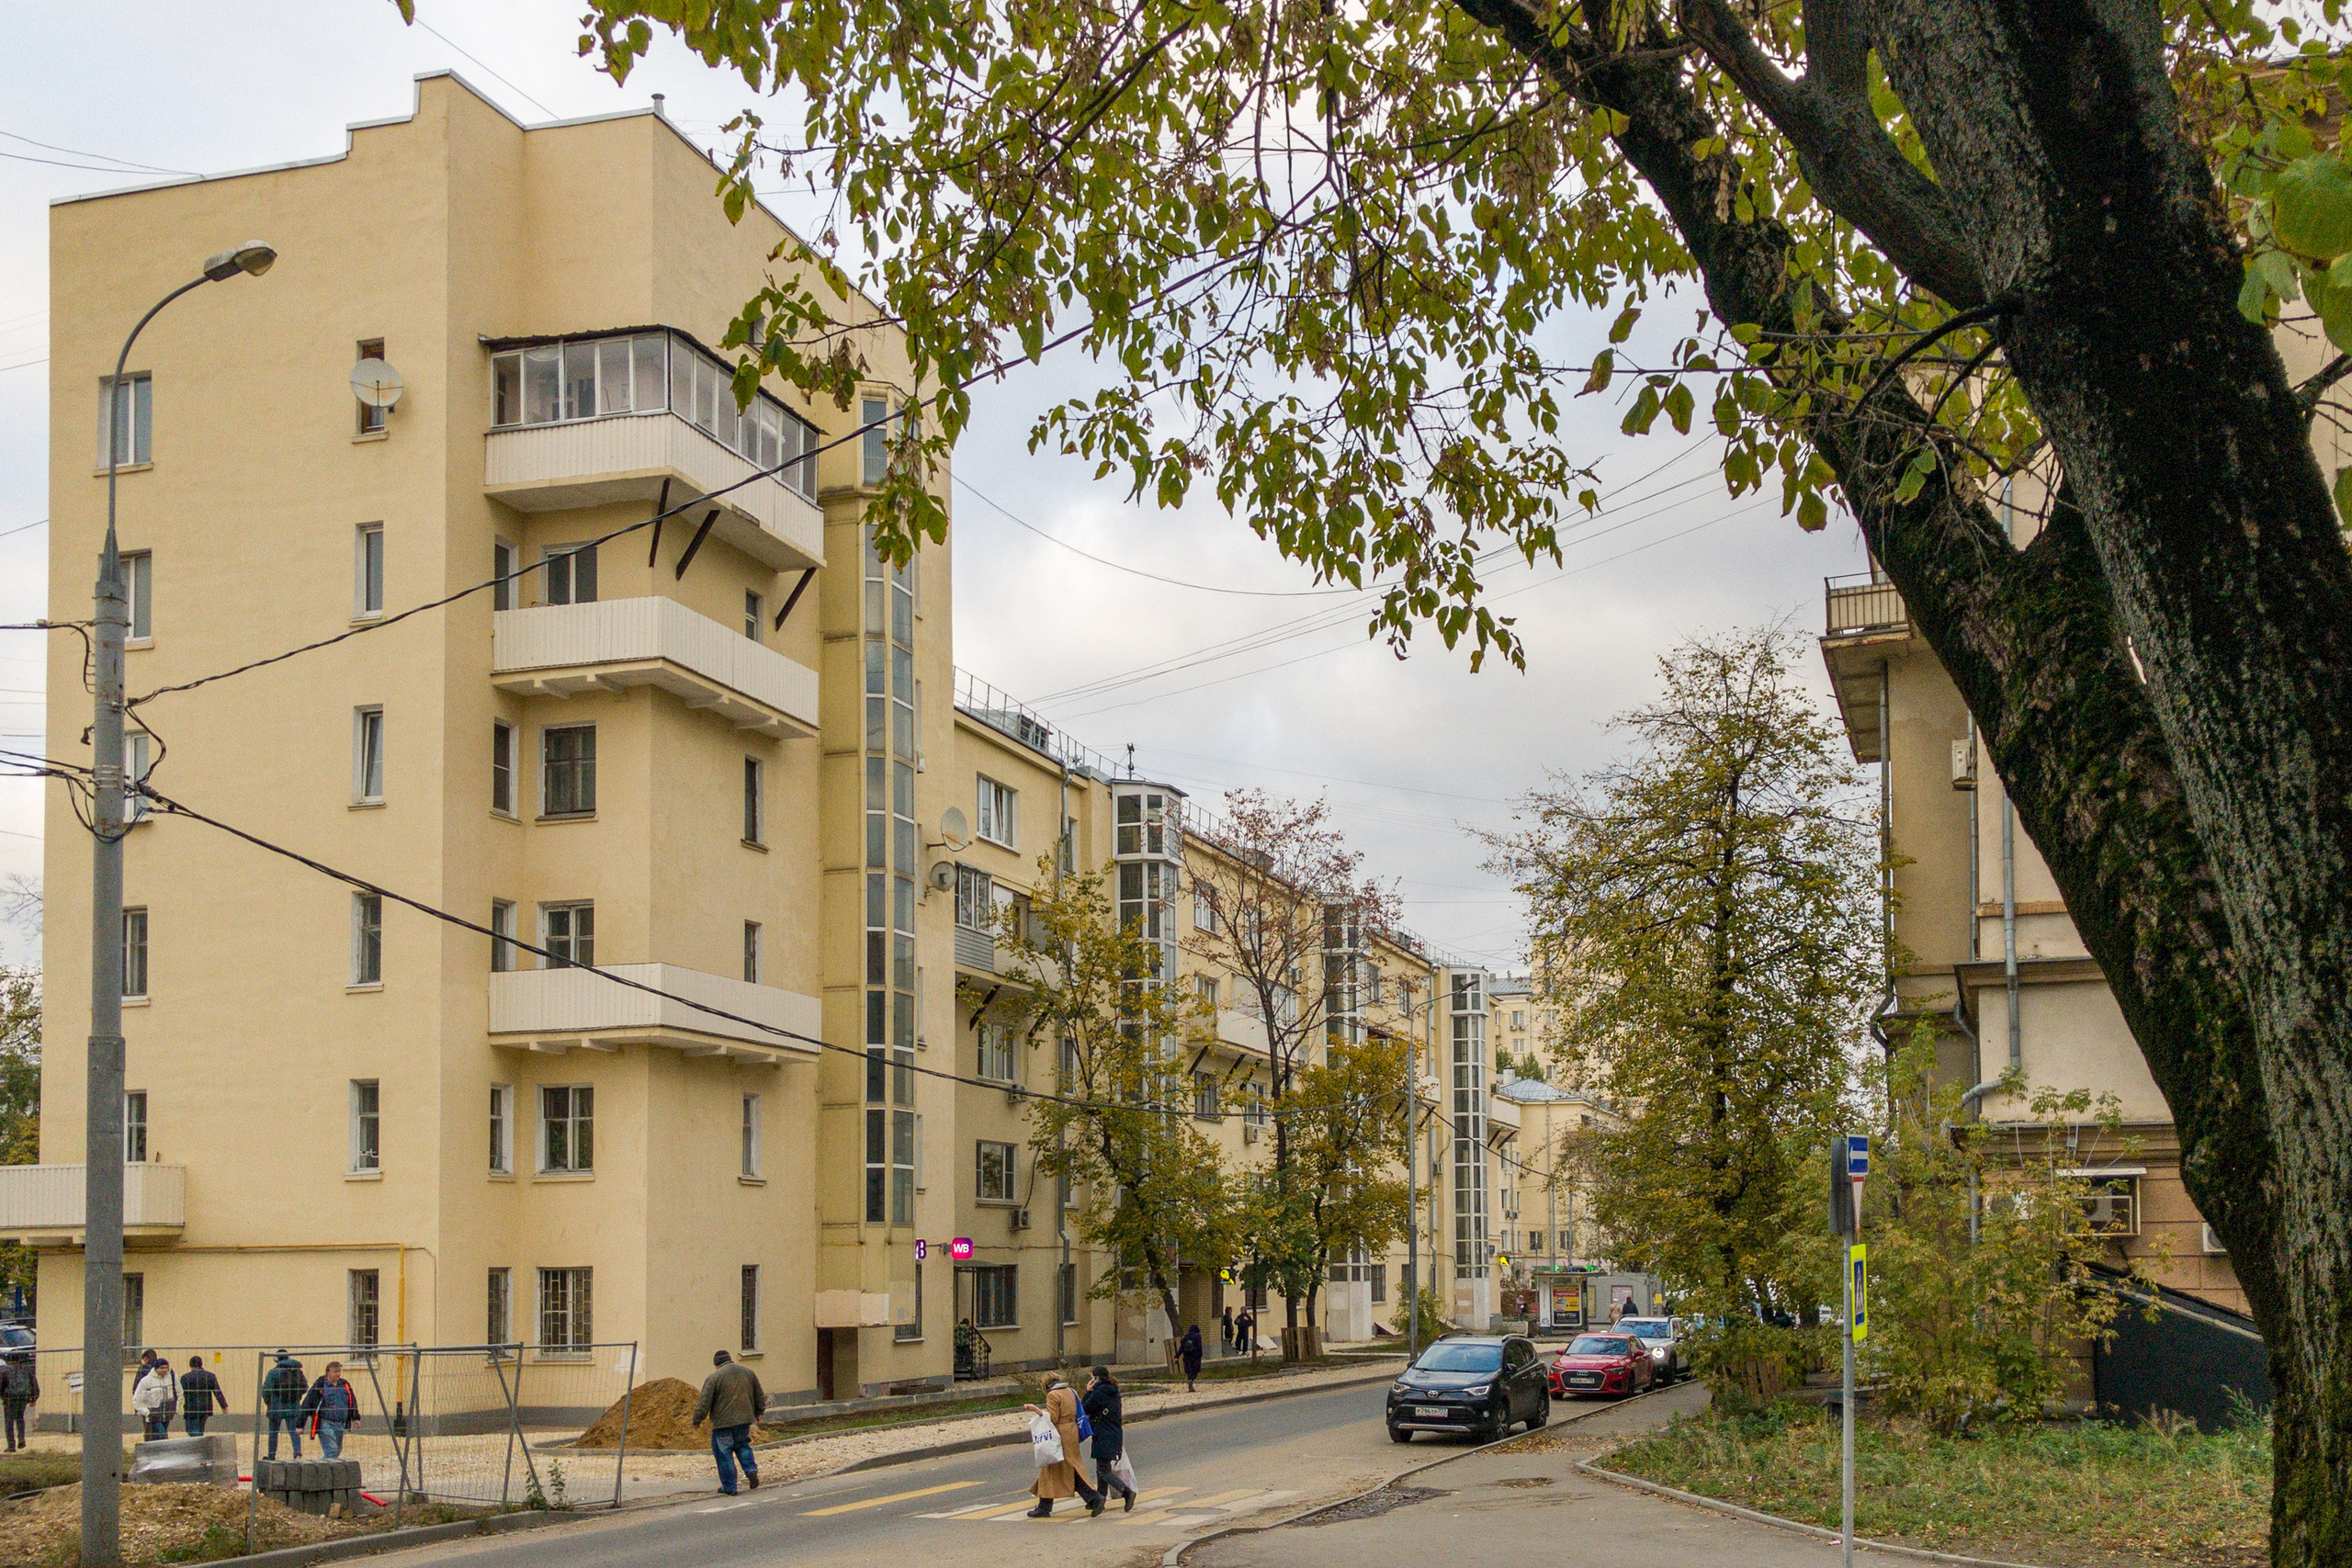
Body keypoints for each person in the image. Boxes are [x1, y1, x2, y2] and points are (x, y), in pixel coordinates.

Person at [1021, 1373, 1103, 1518]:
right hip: (1072, 1432)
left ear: (1046, 1384)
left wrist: (1037, 1411)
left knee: (1051, 1468)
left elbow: (1052, 1418)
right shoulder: (1071, 1391)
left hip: (1059, 1435)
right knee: (1066, 1468)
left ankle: (1093, 1498)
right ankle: (1046, 1506)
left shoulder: (1053, 1395)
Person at [692, 1348, 767, 1495]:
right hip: (744, 1419)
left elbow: (704, 1402)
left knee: (723, 1453)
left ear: (716, 1364)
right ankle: (751, 1469)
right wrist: (759, 1412)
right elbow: (759, 1394)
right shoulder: (748, 1372)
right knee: (742, 1445)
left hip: (723, 1423)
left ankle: (729, 1487)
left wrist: (697, 1420)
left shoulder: (714, 1377)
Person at [1080, 1365, 1135, 1511]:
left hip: (1103, 1434)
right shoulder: (1113, 1391)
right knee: (1102, 1467)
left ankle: (1127, 1492)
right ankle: (1100, 1498)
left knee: (1104, 1470)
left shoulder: (1098, 1393)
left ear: (1096, 1378)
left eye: (1092, 1378)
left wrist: (1088, 1391)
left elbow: (1083, 1409)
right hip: (1114, 1432)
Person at [300, 1361, 362, 1460]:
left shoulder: (344, 1385)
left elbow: (352, 1402)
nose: (338, 1374)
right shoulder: (320, 1386)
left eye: (339, 1372)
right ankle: (319, 1473)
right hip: (325, 1423)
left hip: (340, 1424)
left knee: (336, 1452)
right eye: (335, 1371)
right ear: (328, 1372)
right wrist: (300, 1425)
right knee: (332, 1451)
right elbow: (307, 1404)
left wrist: (356, 1418)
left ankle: (318, 1469)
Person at [261, 1351, 307, 1459]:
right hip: (293, 1407)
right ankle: (297, 1453)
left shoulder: (273, 1373)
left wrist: (269, 1403)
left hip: (276, 1407)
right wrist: (296, 1396)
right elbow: (305, 1387)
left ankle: (271, 1456)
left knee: (273, 1433)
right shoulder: (298, 1372)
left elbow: (266, 1391)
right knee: (293, 1432)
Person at [180, 1356, 227, 1438]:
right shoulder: (210, 1376)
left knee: (192, 1430)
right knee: (200, 1429)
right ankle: (200, 1443)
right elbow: (217, 1392)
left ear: (190, 1365)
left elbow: (180, 1393)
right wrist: (223, 1406)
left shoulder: (185, 1378)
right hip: (206, 1407)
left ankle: (199, 1446)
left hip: (191, 1408)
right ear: (201, 1364)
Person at [130, 1357, 175, 1441]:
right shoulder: (146, 1380)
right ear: (156, 1368)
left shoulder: (170, 1378)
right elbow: (137, 1399)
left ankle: (155, 1452)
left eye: (166, 1368)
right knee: (162, 1437)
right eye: (162, 1368)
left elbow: (176, 1394)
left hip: (166, 1413)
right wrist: (147, 1412)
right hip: (154, 1414)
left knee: (157, 1437)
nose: (165, 1370)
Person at [0, 1355, 37, 1452]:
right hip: (23, 1397)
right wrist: (34, 1398)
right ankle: (21, 1438)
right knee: (20, 1418)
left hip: (10, 1398)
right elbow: (34, 1384)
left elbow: (1, 1385)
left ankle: (11, 1446)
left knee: (9, 1422)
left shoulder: (4, 1370)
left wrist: (3, 1396)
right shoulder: (27, 1370)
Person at [1179, 1324, 1204, 1393]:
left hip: (1187, 1356)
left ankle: (1190, 1381)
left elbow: (1182, 1347)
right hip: (1195, 1356)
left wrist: (1177, 1356)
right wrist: (1200, 1355)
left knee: (1189, 1370)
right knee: (1195, 1370)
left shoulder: (1186, 1336)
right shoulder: (1198, 1336)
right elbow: (1199, 1346)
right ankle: (1191, 1381)